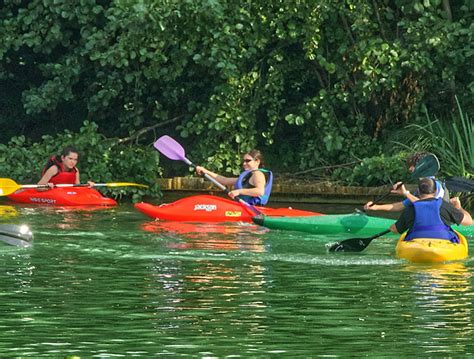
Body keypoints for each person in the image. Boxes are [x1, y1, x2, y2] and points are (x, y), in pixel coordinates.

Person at [389, 178, 472, 243]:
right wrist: (459, 208)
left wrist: (391, 227)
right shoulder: (445, 206)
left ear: (418, 192)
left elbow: (395, 229)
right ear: (436, 191)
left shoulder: (411, 208)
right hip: (443, 243)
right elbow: (469, 222)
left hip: (416, 245)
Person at [364, 152, 448, 212]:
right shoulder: (421, 188)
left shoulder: (435, 185)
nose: (410, 169)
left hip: (439, 225)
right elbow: (400, 206)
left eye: (412, 166)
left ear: (420, 166)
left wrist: (406, 193)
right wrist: (375, 207)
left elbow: (427, 206)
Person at [195, 149, 273, 206]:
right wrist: (206, 171)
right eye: (244, 161)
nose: (244, 163)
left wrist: (238, 191)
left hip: (253, 209)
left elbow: (259, 191)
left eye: (248, 161)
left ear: (257, 161)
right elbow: (224, 180)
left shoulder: (258, 174)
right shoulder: (248, 176)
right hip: (243, 208)